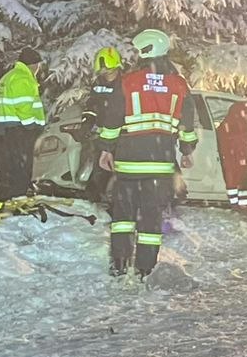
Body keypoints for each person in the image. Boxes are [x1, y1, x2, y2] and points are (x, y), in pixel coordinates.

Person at [96, 29, 197, 278]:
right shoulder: (179, 85)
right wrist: (186, 150)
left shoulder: (128, 82)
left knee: (123, 218)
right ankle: (145, 269)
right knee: (151, 220)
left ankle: (119, 265)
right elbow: (187, 125)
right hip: (160, 166)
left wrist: (106, 149)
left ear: (143, 51)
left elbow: (112, 120)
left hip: (129, 164)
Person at [0, 49, 48, 217]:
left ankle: (3, 198)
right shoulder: (23, 78)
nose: (39, 69)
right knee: (22, 167)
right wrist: (32, 126)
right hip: (19, 129)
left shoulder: (9, 76)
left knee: (9, 167)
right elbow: (24, 107)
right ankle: (19, 200)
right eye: (38, 65)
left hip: (5, 128)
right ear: (34, 64)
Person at [80, 47, 124, 202]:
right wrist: (87, 122)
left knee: (121, 171)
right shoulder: (98, 83)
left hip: (123, 135)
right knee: (101, 168)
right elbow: (92, 105)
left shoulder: (125, 84)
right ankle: (94, 198)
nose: (106, 74)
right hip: (103, 135)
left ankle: (118, 201)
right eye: (104, 71)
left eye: (110, 71)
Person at [217, 97, 247, 215]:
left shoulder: (225, 126)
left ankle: (234, 204)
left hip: (228, 160)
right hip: (241, 159)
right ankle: (244, 206)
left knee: (232, 180)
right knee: (243, 179)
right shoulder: (244, 129)